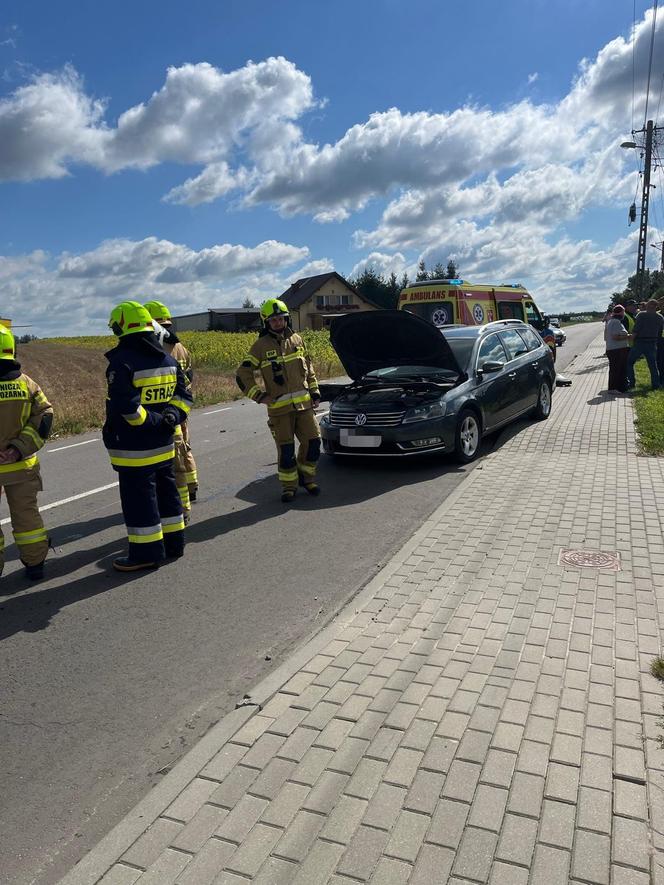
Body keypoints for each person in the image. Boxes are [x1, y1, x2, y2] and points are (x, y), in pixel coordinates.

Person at [104, 301, 193, 571]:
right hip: (164, 445)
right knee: (168, 494)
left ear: (121, 327)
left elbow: (128, 409)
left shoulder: (121, 363)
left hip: (135, 449)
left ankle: (145, 554)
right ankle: (174, 544)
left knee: (139, 502)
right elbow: (185, 396)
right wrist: (171, 418)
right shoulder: (167, 360)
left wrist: (154, 422)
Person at [236, 298, 322, 503]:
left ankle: (306, 478)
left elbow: (308, 369)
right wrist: (260, 396)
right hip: (279, 410)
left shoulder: (297, 340)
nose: (277, 323)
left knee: (313, 443)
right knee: (286, 451)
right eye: (273, 320)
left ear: (286, 319)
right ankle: (289, 487)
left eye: (281, 318)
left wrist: (315, 391)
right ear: (266, 322)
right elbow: (243, 374)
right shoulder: (260, 347)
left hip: (304, 406)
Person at [0, 323, 53, 579]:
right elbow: (44, 417)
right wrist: (17, 449)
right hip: (22, 466)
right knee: (26, 517)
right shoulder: (27, 384)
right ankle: (35, 565)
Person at [144, 300, 198, 520]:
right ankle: (192, 485)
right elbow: (190, 378)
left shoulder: (159, 349)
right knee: (184, 448)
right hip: (181, 408)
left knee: (175, 457)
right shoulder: (181, 348)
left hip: (167, 413)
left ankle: (181, 503)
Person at [626, 298, 664, 391]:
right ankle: (655, 384)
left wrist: (631, 337)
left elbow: (637, 328)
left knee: (629, 362)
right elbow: (660, 332)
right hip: (652, 343)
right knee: (653, 365)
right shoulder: (660, 317)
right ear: (656, 307)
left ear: (647, 305)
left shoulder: (641, 315)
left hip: (640, 342)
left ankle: (631, 383)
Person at [604, 305, 630, 393]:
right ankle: (613, 388)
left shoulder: (612, 321)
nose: (624, 314)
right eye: (623, 312)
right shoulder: (615, 322)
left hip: (615, 349)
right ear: (621, 313)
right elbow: (615, 337)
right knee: (616, 369)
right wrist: (628, 336)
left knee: (618, 369)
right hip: (617, 350)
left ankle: (619, 388)